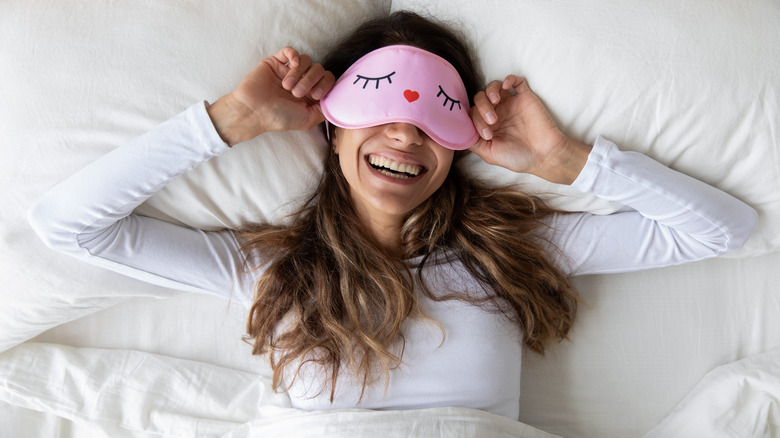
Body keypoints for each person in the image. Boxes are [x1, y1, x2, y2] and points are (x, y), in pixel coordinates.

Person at [28, 11, 758, 420]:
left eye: (437, 113)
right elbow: (68, 225)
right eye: (377, 105)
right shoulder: (268, 271)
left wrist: (565, 162)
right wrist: (230, 121)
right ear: (333, 129)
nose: (407, 133)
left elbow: (722, 231)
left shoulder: (508, 253)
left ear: (462, 143)